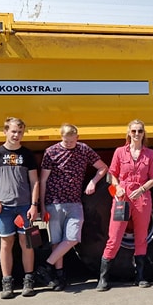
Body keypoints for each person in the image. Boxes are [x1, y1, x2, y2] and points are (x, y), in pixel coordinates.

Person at [34, 124, 109, 291]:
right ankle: (59, 277)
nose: (68, 144)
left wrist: (93, 182)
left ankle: (45, 266)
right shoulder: (51, 152)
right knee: (57, 241)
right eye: (65, 141)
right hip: (54, 202)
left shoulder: (83, 150)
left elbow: (103, 168)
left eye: (71, 141)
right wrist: (43, 205)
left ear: (77, 137)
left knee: (73, 238)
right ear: (61, 137)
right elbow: (43, 180)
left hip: (75, 201)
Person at [0, 117, 40, 299]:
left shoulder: (27, 155)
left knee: (27, 243)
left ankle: (29, 281)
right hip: (4, 208)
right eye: (13, 131)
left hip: (24, 207)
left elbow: (35, 182)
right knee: (6, 243)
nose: (16, 135)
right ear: (5, 132)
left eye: (20, 132)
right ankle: (7, 282)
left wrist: (34, 205)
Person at [101, 119, 153, 290]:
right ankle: (103, 278)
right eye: (133, 131)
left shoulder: (150, 154)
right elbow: (112, 173)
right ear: (128, 133)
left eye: (140, 131)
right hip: (122, 198)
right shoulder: (120, 152)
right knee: (115, 236)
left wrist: (141, 189)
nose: (136, 134)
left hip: (142, 198)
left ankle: (140, 276)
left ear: (143, 133)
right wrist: (117, 187)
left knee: (141, 237)